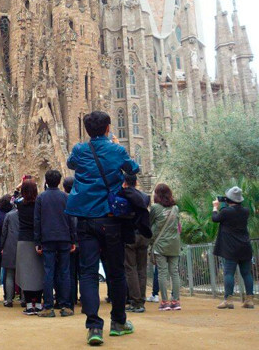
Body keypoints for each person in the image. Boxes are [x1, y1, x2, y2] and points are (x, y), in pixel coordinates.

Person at [65, 111, 140, 345]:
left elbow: (70, 164)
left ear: (87, 129)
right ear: (109, 127)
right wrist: (116, 148)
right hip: (110, 219)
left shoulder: (79, 150)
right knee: (116, 272)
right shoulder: (116, 150)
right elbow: (134, 168)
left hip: (85, 219)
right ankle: (118, 322)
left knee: (87, 273)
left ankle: (94, 327)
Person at [34, 170, 76, 318]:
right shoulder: (65, 197)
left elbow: (37, 221)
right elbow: (71, 219)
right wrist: (73, 239)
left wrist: (38, 241)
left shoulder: (41, 198)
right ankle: (66, 306)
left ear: (46, 181)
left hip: (47, 240)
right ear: (59, 182)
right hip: (64, 238)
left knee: (48, 272)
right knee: (65, 272)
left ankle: (48, 307)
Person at [212, 186, 255, 309]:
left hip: (231, 248)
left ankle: (228, 300)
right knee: (246, 273)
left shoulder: (226, 212)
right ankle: (250, 300)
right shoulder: (245, 211)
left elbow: (215, 218)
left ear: (228, 199)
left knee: (228, 273)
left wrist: (215, 207)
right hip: (245, 246)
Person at [120, 174, 152, 313]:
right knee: (141, 268)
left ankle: (136, 301)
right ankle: (142, 299)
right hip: (144, 235)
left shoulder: (123, 195)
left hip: (130, 235)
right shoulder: (144, 197)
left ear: (125, 182)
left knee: (130, 268)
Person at [149, 183, 182, 311]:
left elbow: (150, 223)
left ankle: (165, 302)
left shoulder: (155, 208)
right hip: (174, 244)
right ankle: (176, 301)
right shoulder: (176, 208)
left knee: (162, 273)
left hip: (161, 245)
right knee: (174, 272)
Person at [15, 179, 44, 315]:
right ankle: (38, 304)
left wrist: (18, 187)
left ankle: (28, 305)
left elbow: (13, 198)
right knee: (39, 272)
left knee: (25, 273)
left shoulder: (20, 205)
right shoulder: (40, 203)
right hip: (38, 240)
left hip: (23, 240)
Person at [61, 177, 81, 309]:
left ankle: (71, 298)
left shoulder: (64, 200)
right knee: (85, 272)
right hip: (83, 239)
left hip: (70, 241)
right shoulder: (81, 198)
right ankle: (85, 298)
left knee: (70, 271)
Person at [0, 199, 19, 308]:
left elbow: (4, 232)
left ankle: (8, 299)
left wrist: (2, 246)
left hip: (10, 245)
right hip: (23, 244)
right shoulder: (25, 215)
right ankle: (24, 299)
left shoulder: (9, 215)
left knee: (9, 274)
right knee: (23, 274)